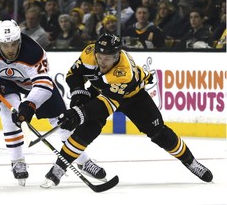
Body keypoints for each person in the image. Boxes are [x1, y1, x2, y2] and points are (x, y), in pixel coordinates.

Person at [42, 33, 213, 187]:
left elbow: (107, 104)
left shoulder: (123, 72)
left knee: (159, 133)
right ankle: (58, 168)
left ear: (117, 56)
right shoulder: (89, 53)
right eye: (100, 56)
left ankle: (191, 162)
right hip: (103, 90)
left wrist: (80, 113)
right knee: (86, 130)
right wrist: (79, 96)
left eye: (107, 58)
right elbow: (74, 75)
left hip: (133, 97)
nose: (102, 61)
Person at [0, 19, 106, 186]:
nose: (10, 50)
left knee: (62, 122)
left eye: (14, 44)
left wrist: (30, 105)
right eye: (5, 45)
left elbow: (43, 84)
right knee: (10, 117)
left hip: (32, 84)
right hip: (0, 82)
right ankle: (17, 161)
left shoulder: (34, 52)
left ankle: (83, 161)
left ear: (20, 39)